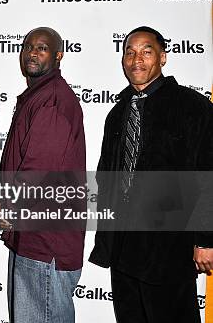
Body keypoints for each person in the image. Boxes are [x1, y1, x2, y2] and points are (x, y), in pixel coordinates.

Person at [89, 26, 213, 323]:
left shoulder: (193, 107)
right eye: (129, 52)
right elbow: (107, 176)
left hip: (170, 248)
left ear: (163, 57)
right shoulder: (117, 113)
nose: (136, 60)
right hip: (123, 249)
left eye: (146, 51)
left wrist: (205, 240)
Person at [0, 27, 86, 323]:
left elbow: (39, 169)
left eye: (42, 48)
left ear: (59, 56)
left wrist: (7, 206)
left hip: (45, 240)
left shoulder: (51, 100)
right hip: (35, 235)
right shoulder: (41, 95)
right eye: (28, 47)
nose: (32, 53)